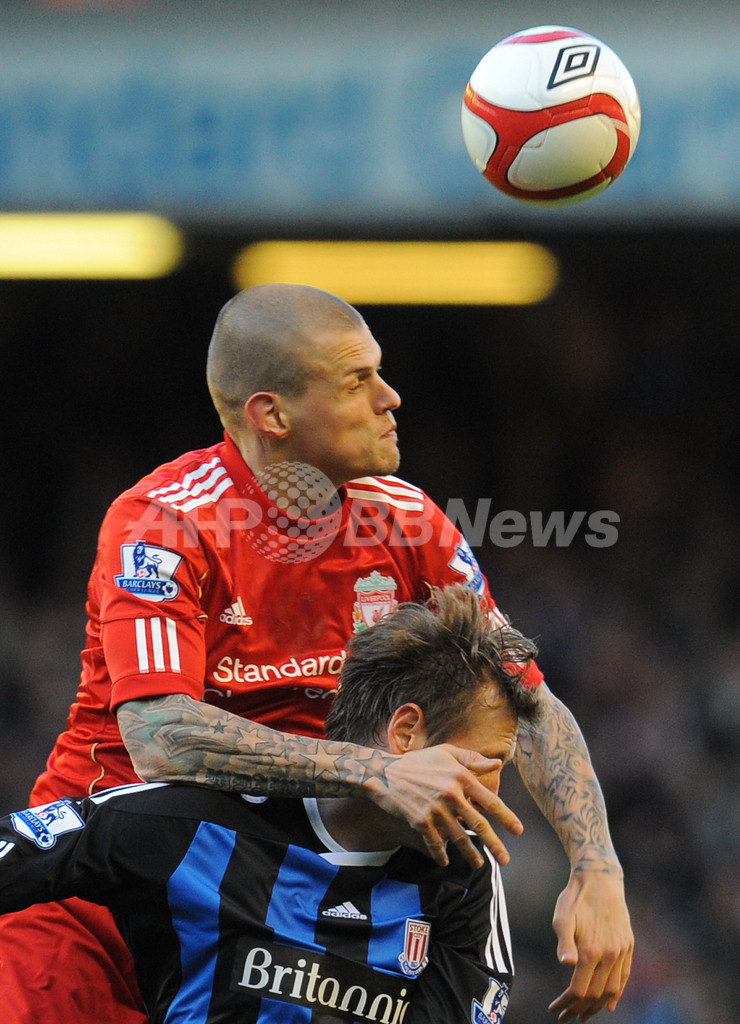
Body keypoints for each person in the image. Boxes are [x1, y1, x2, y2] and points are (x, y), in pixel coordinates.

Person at [0, 283, 632, 1024]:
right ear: (273, 415)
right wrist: (374, 770)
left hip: (269, 897)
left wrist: (597, 867)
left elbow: (528, 701)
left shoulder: (411, 524)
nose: (390, 398)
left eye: (379, 372)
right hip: (99, 899)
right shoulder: (167, 523)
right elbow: (160, 737)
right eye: (357, 381)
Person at [0, 586, 540, 1024]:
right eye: (489, 760)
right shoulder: (189, 824)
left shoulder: (465, 879)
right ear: (406, 734)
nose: (493, 790)